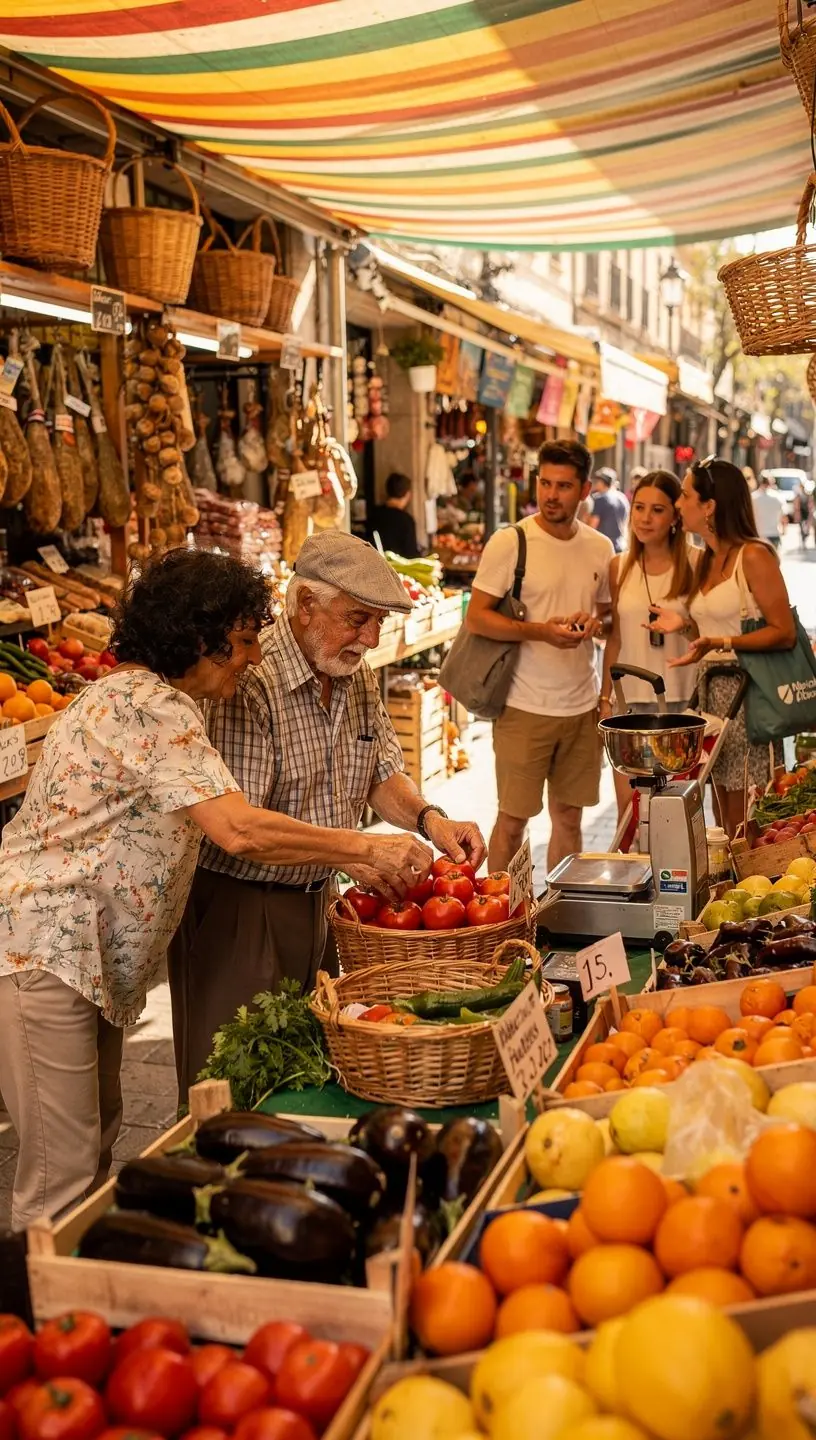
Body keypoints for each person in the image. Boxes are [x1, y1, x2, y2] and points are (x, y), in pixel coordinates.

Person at [0, 550, 434, 1231]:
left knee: (92, 1138)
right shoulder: (150, 707)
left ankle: (78, 1282)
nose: (254, 656)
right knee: (63, 1170)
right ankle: (40, 1292)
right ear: (199, 638)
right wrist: (363, 847)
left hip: (82, 959)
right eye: (244, 639)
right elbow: (238, 829)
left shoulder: (144, 698)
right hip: (46, 952)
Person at [169, 532, 485, 1095]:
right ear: (306, 605)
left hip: (319, 900)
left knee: (307, 1073)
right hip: (240, 907)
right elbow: (245, 830)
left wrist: (431, 820)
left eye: (377, 621)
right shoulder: (249, 678)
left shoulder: (352, 672)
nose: (371, 638)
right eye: (358, 619)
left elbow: (380, 771)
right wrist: (357, 850)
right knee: (232, 1087)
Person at [465, 439, 613, 873]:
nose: (551, 494)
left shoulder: (600, 548)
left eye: (563, 486)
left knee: (569, 819)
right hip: (522, 705)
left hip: (581, 706)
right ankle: (500, 908)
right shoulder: (511, 542)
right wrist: (540, 631)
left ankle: (560, 907)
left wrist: (593, 624)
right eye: (545, 483)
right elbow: (477, 618)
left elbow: (607, 620)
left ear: (584, 490)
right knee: (513, 822)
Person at [648, 457, 797, 837]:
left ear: (709, 506)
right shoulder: (707, 559)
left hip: (749, 696)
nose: (678, 504)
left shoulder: (754, 555)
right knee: (721, 814)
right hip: (713, 695)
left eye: (685, 495)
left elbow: (784, 632)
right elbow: (710, 632)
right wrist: (685, 626)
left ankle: (754, 872)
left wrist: (722, 642)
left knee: (750, 815)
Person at [600, 471, 697, 821]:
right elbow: (616, 637)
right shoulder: (619, 566)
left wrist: (683, 624)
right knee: (630, 816)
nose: (644, 518)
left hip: (684, 706)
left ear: (675, 516)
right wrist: (604, 698)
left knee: (677, 818)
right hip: (630, 706)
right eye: (639, 507)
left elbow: (708, 633)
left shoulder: (697, 562)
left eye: (657, 510)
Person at [370, 472, 421, 558]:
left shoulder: (374, 514)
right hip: (396, 565)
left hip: (374, 562)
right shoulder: (406, 521)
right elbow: (411, 554)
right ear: (408, 494)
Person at [588, 467, 629, 552]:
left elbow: (593, 525)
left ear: (602, 482)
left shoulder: (600, 499)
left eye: (597, 481)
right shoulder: (622, 498)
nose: (595, 484)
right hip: (620, 545)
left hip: (603, 546)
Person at [751, 473, 786, 550]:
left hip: (759, 534)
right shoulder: (777, 497)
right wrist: (784, 530)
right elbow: (783, 517)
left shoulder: (753, 497)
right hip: (774, 533)